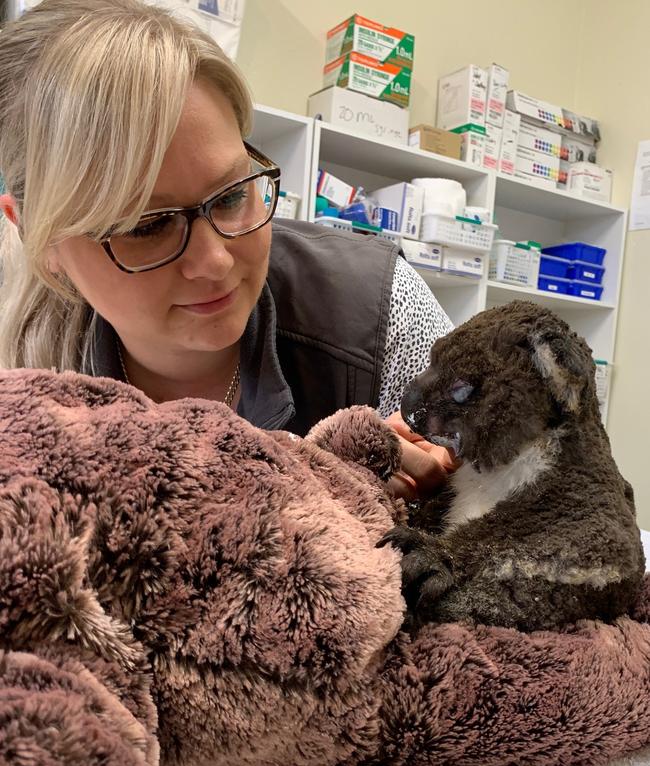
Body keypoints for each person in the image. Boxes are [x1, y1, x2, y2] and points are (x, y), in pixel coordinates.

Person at [0, 0, 456, 500]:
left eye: (234, 195)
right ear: (35, 237)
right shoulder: (26, 388)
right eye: (147, 227)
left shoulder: (380, 314)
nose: (216, 261)